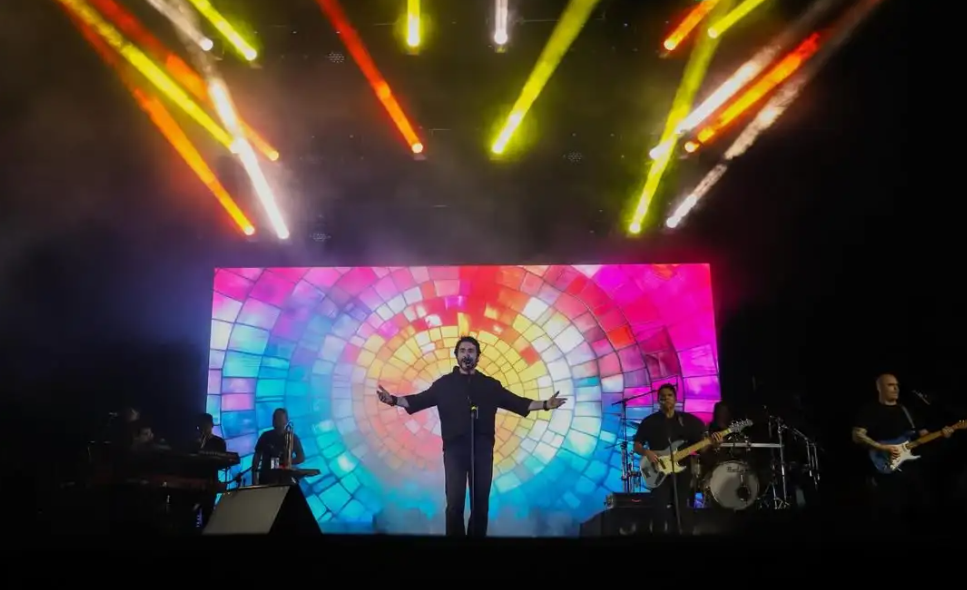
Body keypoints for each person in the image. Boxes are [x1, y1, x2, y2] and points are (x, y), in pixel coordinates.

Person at [376, 335, 567, 537]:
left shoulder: (490, 385)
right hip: (454, 450)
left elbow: (518, 403)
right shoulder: (444, 385)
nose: (467, 354)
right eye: (463, 351)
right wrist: (392, 400)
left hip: (482, 449)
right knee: (454, 503)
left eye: (471, 351)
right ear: (456, 355)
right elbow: (418, 400)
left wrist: (546, 405)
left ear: (477, 356)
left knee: (480, 504)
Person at [852, 373, 953, 530]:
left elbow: (923, 435)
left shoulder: (906, 410)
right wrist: (882, 447)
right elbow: (857, 436)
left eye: (897, 385)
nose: (896, 388)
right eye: (890, 385)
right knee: (890, 516)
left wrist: (943, 434)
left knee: (922, 510)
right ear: (879, 388)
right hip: (885, 469)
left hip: (911, 468)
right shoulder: (870, 410)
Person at [634, 384, 722, 534]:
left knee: (681, 510)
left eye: (669, 395)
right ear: (658, 400)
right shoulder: (649, 421)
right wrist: (646, 452)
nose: (666, 398)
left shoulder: (688, 421)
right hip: (658, 471)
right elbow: (637, 445)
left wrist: (714, 444)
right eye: (662, 396)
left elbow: (701, 449)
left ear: (675, 399)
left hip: (682, 472)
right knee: (659, 510)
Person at [252, 409, 305, 486]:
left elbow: (301, 457)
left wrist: (286, 462)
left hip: (285, 479)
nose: (276, 421)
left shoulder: (293, 438)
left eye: (279, 419)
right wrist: (254, 478)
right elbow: (256, 457)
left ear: (286, 421)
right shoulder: (265, 436)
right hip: (266, 479)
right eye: (274, 418)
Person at [196, 413, 226, 527]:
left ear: (211, 425)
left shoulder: (218, 442)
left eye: (206, 425)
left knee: (207, 514)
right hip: (195, 481)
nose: (203, 428)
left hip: (210, 481)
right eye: (201, 426)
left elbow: (222, 461)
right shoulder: (194, 442)